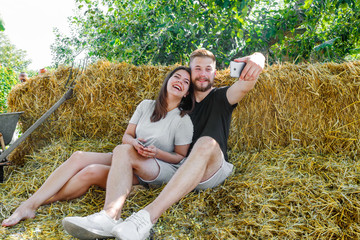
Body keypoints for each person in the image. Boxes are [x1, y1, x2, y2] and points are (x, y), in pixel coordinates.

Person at [61, 49, 265, 240]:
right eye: (197, 69)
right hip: (179, 171)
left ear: (214, 72)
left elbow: (246, 85)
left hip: (211, 171)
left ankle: (145, 218)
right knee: (121, 151)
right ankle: (109, 216)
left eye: (208, 69)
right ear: (190, 72)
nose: (203, 74)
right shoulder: (180, 103)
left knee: (206, 143)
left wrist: (258, 58)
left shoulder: (222, 97)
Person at [1, 66, 194, 228]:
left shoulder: (183, 120)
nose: (180, 81)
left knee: (122, 150)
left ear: (186, 92)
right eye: (176, 77)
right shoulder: (146, 106)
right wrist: (134, 142)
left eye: (186, 82)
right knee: (82, 161)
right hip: (131, 154)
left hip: (156, 168)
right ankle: (31, 205)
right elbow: (127, 136)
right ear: (167, 81)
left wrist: (156, 152)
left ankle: (110, 215)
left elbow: (180, 157)